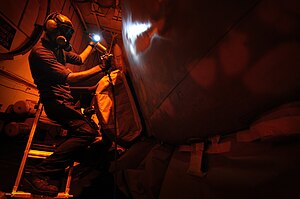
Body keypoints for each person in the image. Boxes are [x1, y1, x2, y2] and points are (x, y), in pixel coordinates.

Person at [25, 12, 110, 195]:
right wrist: (101, 67)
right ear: (51, 29)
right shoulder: (41, 53)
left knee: (90, 131)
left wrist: (91, 45)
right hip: (55, 101)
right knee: (87, 132)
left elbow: (79, 60)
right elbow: (71, 78)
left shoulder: (58, 47)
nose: (67, 37)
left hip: (65, 98)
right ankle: (39, 173)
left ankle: (67, 160)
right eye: (64, 32)